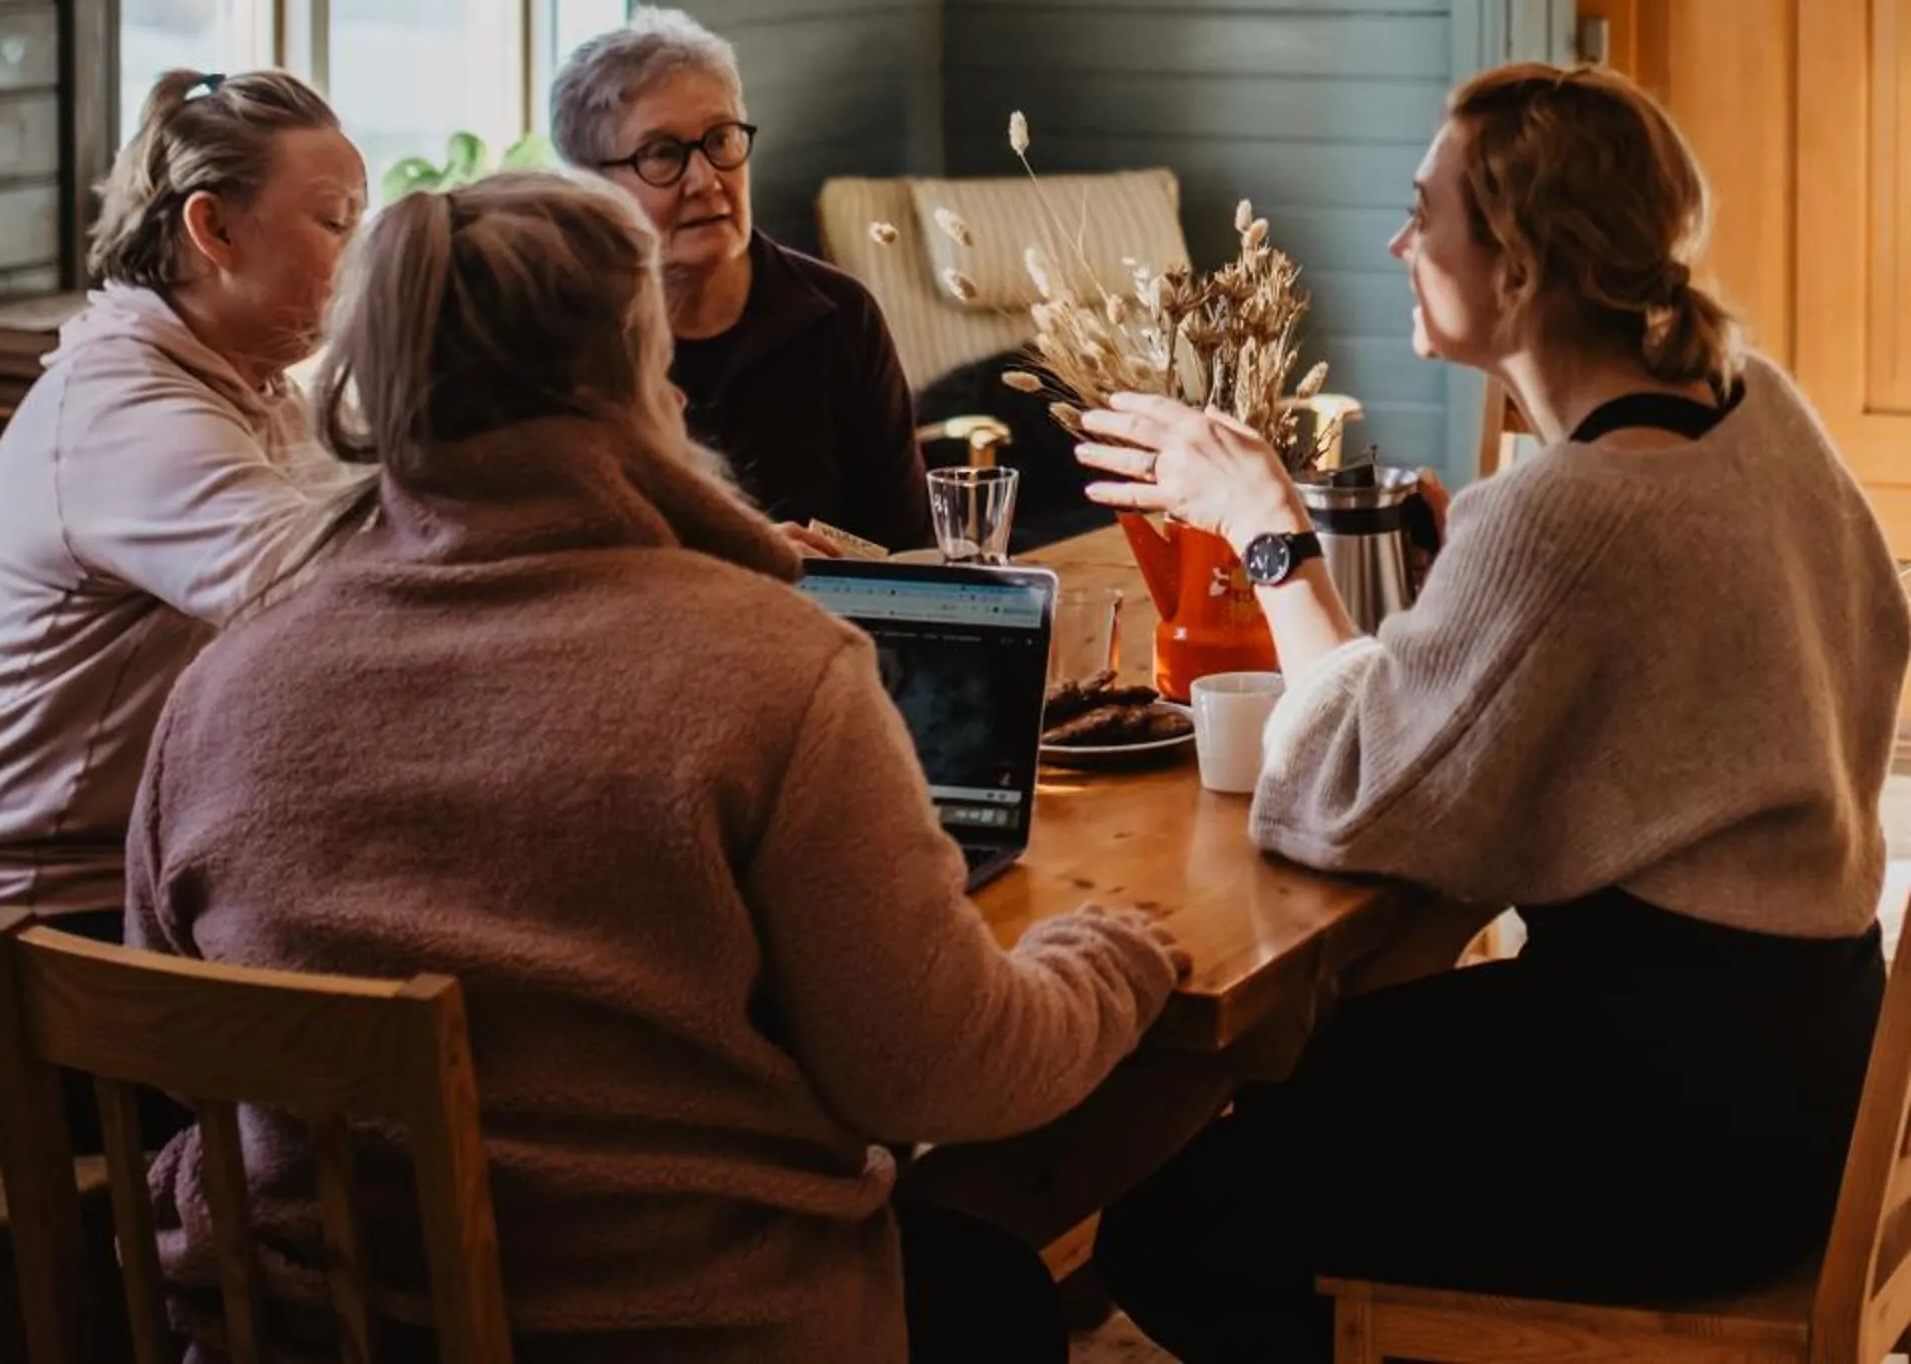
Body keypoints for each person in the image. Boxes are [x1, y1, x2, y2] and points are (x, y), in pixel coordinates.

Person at [128, 169, 1180, 1364]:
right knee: (982, 1286)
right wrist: (1106, 961)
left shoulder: (227, 685)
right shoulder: (772, 667)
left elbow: (173, 1057)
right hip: (686, 1324)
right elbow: (940, 1070)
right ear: (639, 372)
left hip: (314, 1331)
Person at [1077, 62, 1909, 1361]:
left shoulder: (1568, 510)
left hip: (1670, 1131)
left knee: (1175, 1215)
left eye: (1425, 213)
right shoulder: (1755, 407)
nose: (1398, 242)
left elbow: (1348, 800)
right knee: (1318, 1071)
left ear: (1516, 267)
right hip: (1808, 1065)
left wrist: (1267, 533)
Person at [0, 70, 367, 1149]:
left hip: (113, 910)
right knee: (357, 1096)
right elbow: (327, 609)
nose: (361, 254)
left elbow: (380, 517)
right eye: (337, 222)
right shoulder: (127, 409)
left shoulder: (247, 383)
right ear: (212, 227)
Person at [550, 8, 930, 550]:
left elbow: (904, 547)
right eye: (663, 154)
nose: (705, 180)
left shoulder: (840, 314)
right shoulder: (559, 334)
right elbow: (563, 564)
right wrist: (742, 559)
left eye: (721, 140)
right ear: (592, 188)